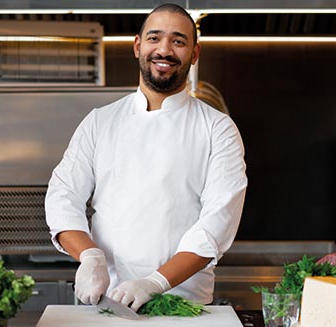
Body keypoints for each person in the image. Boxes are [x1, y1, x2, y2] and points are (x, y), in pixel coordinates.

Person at [45, 3, 247, 311]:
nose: (164, 50)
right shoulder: (100, 121)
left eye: (178, 41)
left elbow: (217, 223)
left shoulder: (218, 128)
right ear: (138, 46)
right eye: (154, 38)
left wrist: (155, 282)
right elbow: (63, 195)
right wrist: (90, 255)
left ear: (194, 54)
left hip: (183, 306)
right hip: (106, 300)